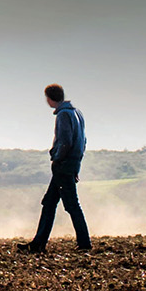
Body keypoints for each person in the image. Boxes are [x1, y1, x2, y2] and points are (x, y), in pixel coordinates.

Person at [18, 83, 92, 253]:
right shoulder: (76, 113)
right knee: (49, 203)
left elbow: (65, 141)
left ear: (49, 99)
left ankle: (84, 242)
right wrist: (75, 166)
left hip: (63, 167)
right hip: (71, 165)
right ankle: (38, 243)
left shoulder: (64, 115)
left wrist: (56, 157)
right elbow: (83, 142)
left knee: (71, 205)